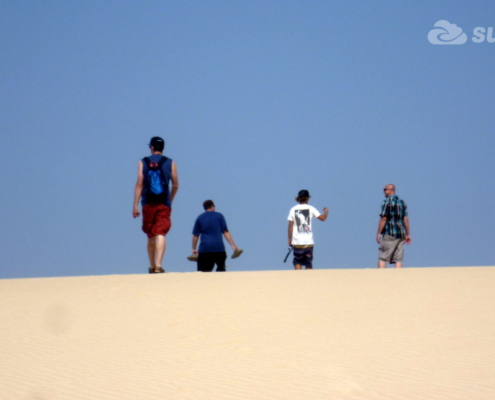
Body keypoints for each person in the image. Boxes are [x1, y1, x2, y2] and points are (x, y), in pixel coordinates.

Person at [133, 137, 179, 273]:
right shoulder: (170, 162)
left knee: (150, 233)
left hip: (147, 203)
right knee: (161, 232)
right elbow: (175, 184)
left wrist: (135, 205)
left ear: (152, 147)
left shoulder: (143, 162)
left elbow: (139, 184)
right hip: (164, 202)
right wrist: (170, 199)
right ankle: (159, 265)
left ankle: (152, 265)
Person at [191, 200, 240, 272]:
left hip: (205, 250)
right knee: (221, 271)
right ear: (212, 207)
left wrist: (194, 248)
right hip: (219, 249)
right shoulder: (219, 216)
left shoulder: (200, 218)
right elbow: (225, 232)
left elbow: (195, 235)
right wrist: (233, 245)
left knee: (202, 274)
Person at [287, 190, 328, 270]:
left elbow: (290, 224)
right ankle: (308, 279)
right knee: (308, 261)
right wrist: (326, 212)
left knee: (298, 261)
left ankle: (298, 278)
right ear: (307, 198)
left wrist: (289, 239)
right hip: (308, 241)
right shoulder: (311, 208)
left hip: (297, 241)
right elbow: (322, 218)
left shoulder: (293, 209)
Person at [376, 184, 411, 268]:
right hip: (401, 234)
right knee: (398, 259)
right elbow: (405, 220)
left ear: (391, 190)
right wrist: (407, 234)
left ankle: (380, 277)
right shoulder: (402, 202)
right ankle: (397, 279)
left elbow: (384, 218)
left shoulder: (386, 202)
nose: (383, 191)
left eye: (385, 189)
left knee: (383, 257)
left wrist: (378, 233)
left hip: (390, 232)